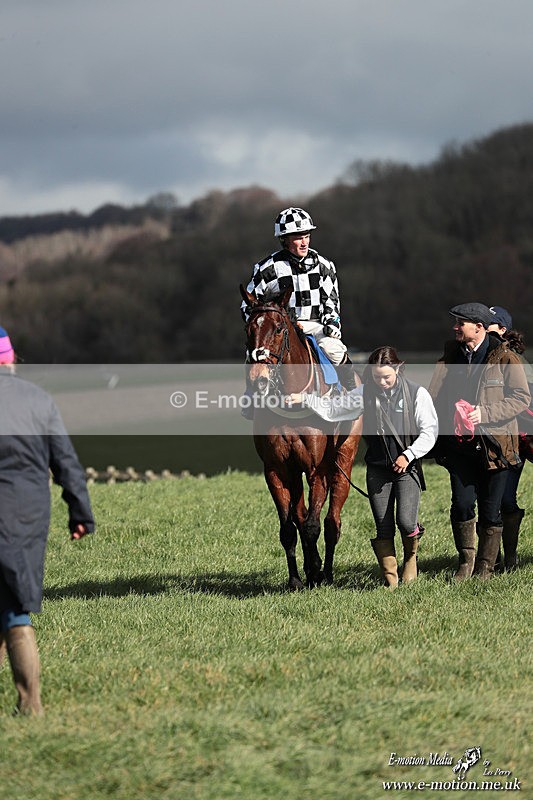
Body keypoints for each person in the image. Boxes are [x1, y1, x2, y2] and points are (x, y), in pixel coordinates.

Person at [0, 326, 94, 715]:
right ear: (11, 358)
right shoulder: (39, 399)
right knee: (16, 608)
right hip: (27, 513)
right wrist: (80, 514)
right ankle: (30, 705)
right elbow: (66, 462)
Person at [288, 346, 438, 588]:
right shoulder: (364, 392)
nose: (382, 382)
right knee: (383, 525)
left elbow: (430, 432)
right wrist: (305, 398)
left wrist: (408, 455)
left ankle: (411, 558)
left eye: (387, 377)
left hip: (406, 468)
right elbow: (335, 409)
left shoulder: (417, 394)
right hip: (377, 469)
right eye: (377, 377)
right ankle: (391, 581)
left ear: (398, 369)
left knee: (406, 522)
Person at [429, 303, 530, 581]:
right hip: (460, 448)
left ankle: (486, 567)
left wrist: (485, 412)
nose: (455, 328)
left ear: (480, 327)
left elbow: (522, 399)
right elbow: (435, 397)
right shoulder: (450, 357)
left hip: (495, 447)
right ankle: (465, 563)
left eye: (461, 323)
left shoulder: (507, 358)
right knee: (461, 504)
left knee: (490, 509)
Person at [240, 207, 357, 416]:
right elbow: (249, 304)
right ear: (284, 240)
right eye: (298, 238)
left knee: (335, 350)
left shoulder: (324, 265)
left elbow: (331, 299)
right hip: (280, 327)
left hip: (314, 324)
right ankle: (251, 400)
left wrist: (332, 323)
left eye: (307, 236)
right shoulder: (267, 267)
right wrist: (259, 329)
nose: (304, 242)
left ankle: (353, 394)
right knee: (255, 355)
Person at [487, 305, 533, 570]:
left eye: (490, 325)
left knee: (504, 497)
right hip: (496, 438)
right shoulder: (481, 356)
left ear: (503, 330)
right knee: (498, 498)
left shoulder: (514, 361)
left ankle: (510, 558)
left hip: (518, 440)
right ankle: (497, 559)